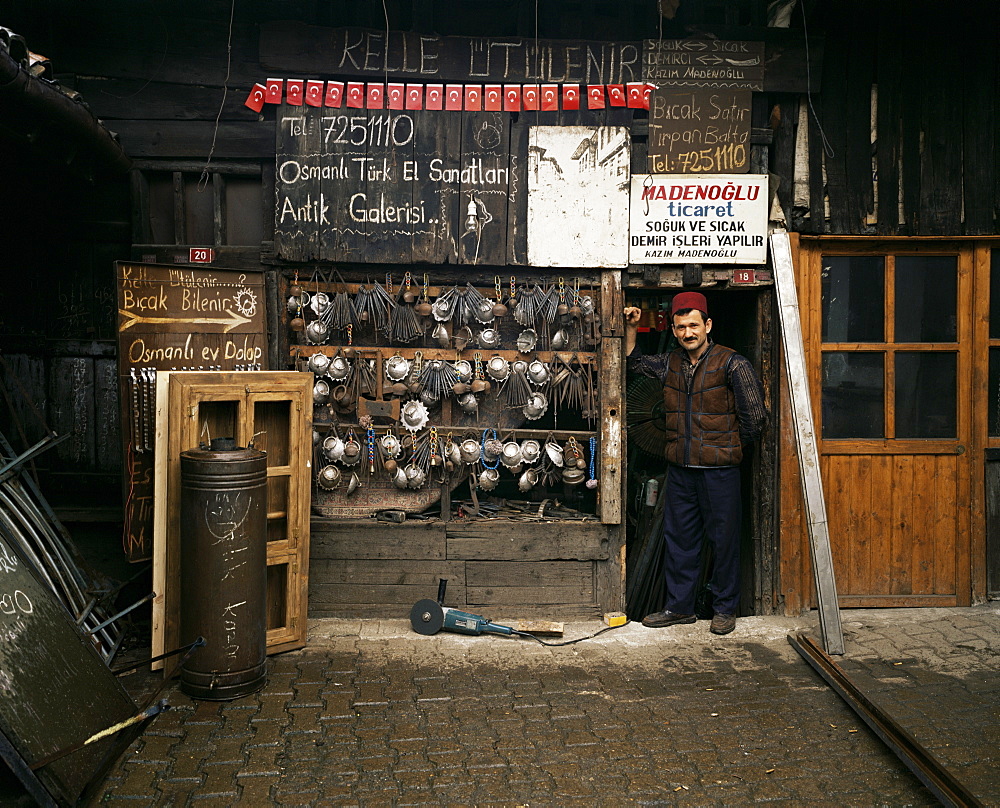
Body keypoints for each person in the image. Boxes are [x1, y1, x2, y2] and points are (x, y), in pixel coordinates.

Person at [624, 292, 767, 635]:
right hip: (681, 471)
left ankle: (724, 609)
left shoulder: (733, 363)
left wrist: (724, 447)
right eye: (681, 327)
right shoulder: (670, 363)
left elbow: (756, 421)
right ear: (673, 330)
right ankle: (680, 607)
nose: (688, 332)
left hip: (720, 472)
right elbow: (633, 365)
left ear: (708, 325)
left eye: (693, 325)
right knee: (680, 540)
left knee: (724, 540)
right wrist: (631, 330)